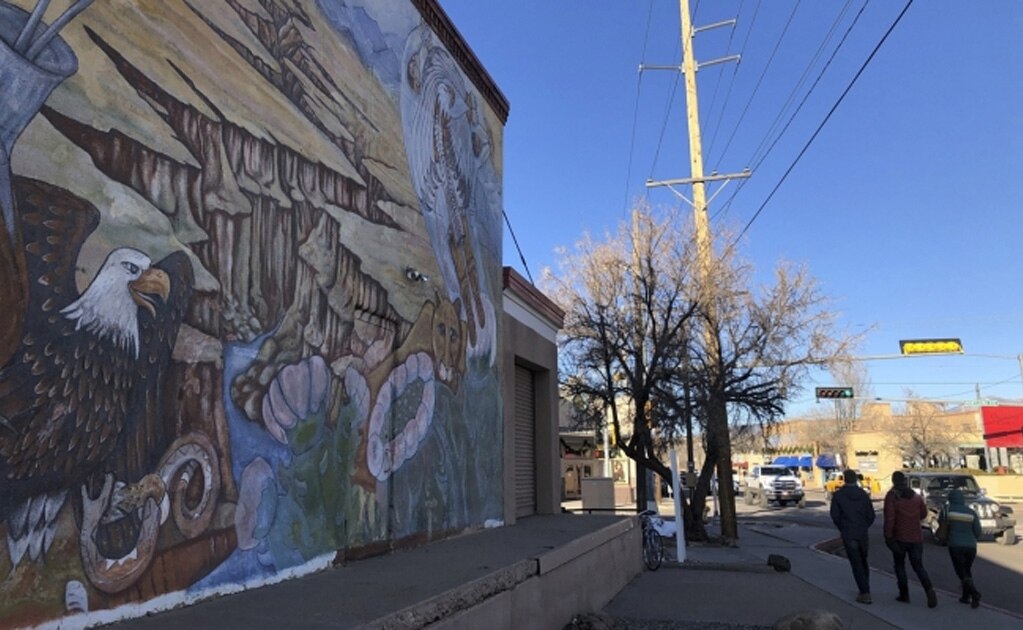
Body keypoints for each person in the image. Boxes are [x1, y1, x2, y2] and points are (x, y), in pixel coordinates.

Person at [883, 470, 937, 607]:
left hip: (899, 537)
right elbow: (923, 514)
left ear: (893, 481)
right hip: (916, 537)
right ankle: (929, 590)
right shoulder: (916, 496)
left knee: (900, 566)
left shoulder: (892, 497)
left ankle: (904, 594)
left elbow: (890, 518)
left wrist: (888, 535)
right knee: (918, 566)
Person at [830, 469, 876, 604]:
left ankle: (865, 592)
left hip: (848, 532)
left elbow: (835, 515)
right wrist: (864, 525)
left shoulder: (839, 495)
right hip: (862, 532)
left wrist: (843, 527)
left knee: (856, 562)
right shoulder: (863, 494)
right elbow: (871, 515)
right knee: (863, 560)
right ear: (856, 479)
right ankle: (865, 588)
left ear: (844, 479)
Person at [941, 489, 982, 608]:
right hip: (971, 547)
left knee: (961, 572)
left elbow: (942, 526)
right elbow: (978, 531)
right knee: (967, 571)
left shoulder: (947, 510)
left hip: (955, 545)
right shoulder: (971, 512)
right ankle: (965, 597)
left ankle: (974, 593)